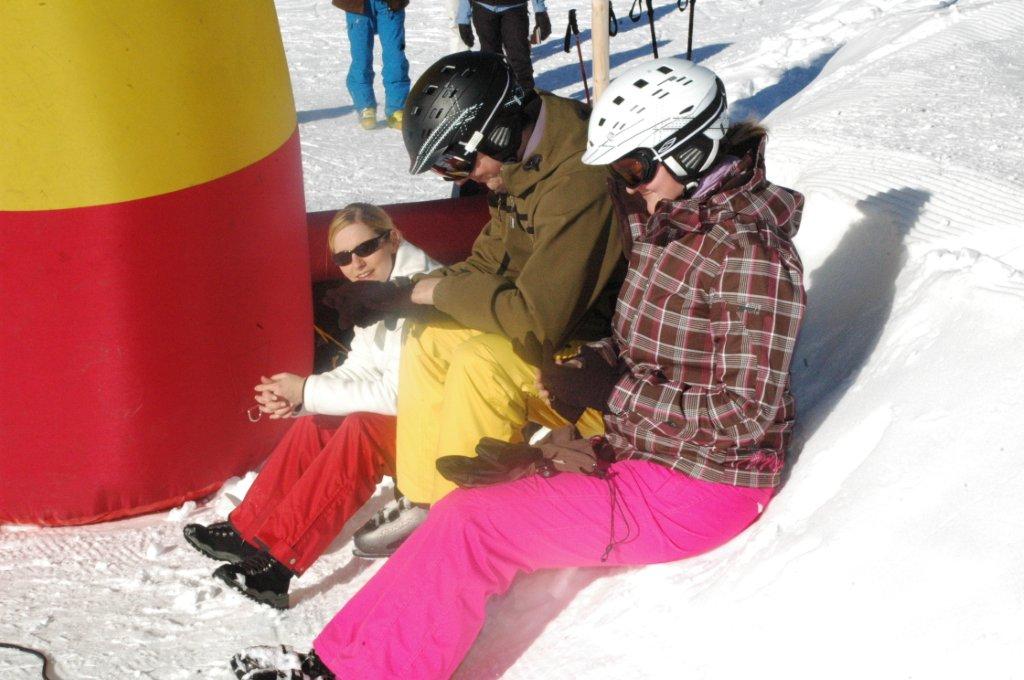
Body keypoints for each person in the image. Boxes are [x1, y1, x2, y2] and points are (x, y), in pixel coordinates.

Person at [228, 57, 806, 679]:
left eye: (634, 168)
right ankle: (330, 664)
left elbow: (747, 416)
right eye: (619, 171)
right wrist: (579, 404)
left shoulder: (748, 254)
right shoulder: (674, 224)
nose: (627, 187)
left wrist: (614, 390)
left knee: (475, 527)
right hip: (643, 452)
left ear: (692, 149)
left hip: (698, 486)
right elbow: (659, 347)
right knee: (467, 508)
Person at [328, 50, 625, 559]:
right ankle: (424, 496)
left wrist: (433, 292)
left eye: (456, 161)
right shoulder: (521, 164)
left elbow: (535, 319)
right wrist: (405, 293)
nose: (460, 178)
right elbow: (490, 260)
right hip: (561, 334)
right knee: (430, 335)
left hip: (596, 365)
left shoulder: (577, 181)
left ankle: (460, 522)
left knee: (478, 361)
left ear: (497, 131)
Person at [182, 203, 439, 609]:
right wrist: (301, 397)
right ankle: (247, 530)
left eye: (365, 249)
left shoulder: (422, 292)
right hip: (417, 413)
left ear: (393, 239)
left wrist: (307, 390)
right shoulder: (378, 290)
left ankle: (279, 565)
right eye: (343, 258)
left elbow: (397, 393)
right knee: (322, 418)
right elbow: (361, 367)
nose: (356, 264)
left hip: (444, 427)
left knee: (362, 431)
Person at [332, 0, 411, 130]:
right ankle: (365, 105)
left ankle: (396, 108)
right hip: (357, 6)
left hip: (390, 5)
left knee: (395, 58)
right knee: (361, 58)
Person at [456, 0, 551, 91]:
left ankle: (525, 92)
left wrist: (540, 12)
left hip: (515, 8)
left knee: (519, 55)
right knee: (490, 57)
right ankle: (495, 92)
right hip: (483, 8)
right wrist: (463, 18)